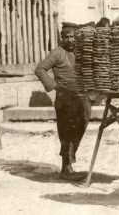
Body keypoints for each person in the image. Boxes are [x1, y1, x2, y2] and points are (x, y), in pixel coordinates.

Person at [34, 26, 90, 181]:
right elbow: (40, 69)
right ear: (62, 37)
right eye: (67, 37)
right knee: (67, 131)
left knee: (81, 126)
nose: (70, 40)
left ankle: (69, 164)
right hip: (65, 98)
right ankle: (66, 168)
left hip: (81, 96)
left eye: (73, 37)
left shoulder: (79, 51)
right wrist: (55, 87)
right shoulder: (57, 52)